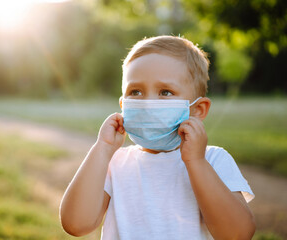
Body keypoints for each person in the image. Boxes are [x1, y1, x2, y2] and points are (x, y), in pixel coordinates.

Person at [59, 35, 256, 240]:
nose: (147, 103)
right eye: (135, 92)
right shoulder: (115, 164)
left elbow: (238, 234)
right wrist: (102, 148)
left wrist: (196, 162)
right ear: (123, 105)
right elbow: (75, 224)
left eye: (165, 92)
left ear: (198, 109)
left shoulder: (214, 160)